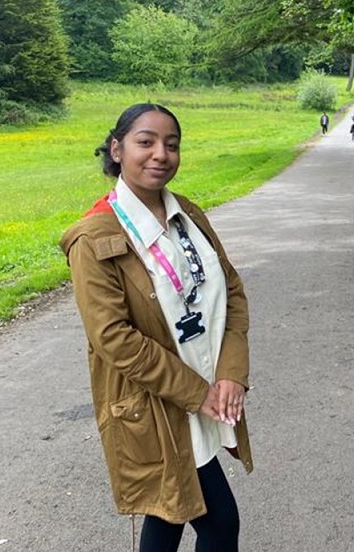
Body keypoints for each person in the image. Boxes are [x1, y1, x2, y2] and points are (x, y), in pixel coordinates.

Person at [60, 103, 253, 552]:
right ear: (117, 149)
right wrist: (197, 392)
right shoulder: (93, 240)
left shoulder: (189, 213)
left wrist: (230, 373)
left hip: (203, 389)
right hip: (157, 405)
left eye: (171, 144)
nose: (160, 154)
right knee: (219, 523)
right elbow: (113, 339)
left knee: (171, 514)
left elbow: (232, 293)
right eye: (145, 142)